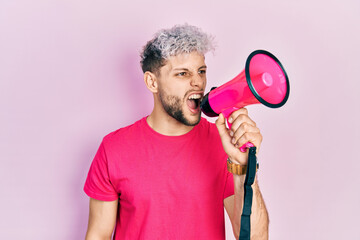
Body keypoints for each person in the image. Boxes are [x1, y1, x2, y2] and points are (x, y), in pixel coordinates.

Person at [84, 24, 269, 240]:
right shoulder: (113, 148)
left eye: (201, 71)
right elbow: (98, 235)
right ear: (152, 82)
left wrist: (245, 167)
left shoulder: (222, 143)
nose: (197, 82)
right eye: (182, 73)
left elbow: (253, 238)